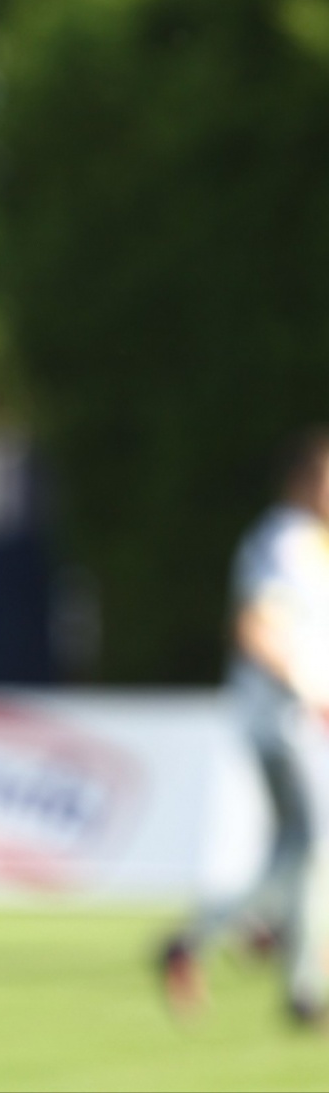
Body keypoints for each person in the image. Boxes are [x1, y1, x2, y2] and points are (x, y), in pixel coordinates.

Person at [161, 430, 329, 1025]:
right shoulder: (283, 542)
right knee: (312, 846)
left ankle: (293, 975)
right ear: (303, 481)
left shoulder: (311, 544)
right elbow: (256, 627)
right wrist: (310, 691)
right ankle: (239, 948)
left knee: (299, 848)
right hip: (284, 719)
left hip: (298, 719)